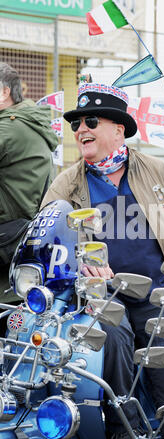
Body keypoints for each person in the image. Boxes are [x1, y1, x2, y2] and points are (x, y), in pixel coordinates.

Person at [41, 80, 164, 439]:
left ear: (118, 129)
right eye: (75, 124)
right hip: (104, 297)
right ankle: (126, 435)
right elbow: (50, 249)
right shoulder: (64, 186)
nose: (80, 129)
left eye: (90, 121)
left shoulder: (160, 175)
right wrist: (77, 270)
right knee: (109, 342)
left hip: (162, 295)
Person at [0, 62, 58, 332]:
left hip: (7, 240)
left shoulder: (9, 129)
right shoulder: (28, 125)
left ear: (4, 93)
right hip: (20, 244)